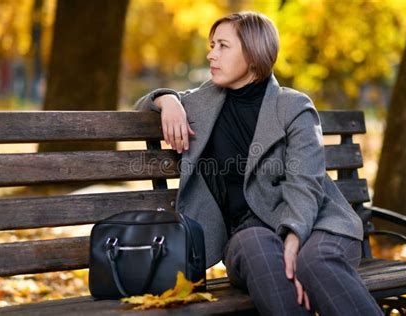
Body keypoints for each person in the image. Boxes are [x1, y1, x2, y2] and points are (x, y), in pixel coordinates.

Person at [136, 11, 382, 316]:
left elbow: (305, 182)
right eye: (212, 45)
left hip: (319, 224)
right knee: (257, 248)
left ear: (253, 55)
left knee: (312, 262)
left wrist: (293, 240)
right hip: (247, 235)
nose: (211, 54)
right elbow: (144, 103)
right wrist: (167, 101)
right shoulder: (201, 102)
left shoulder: (294, 106)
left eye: (223, 46)